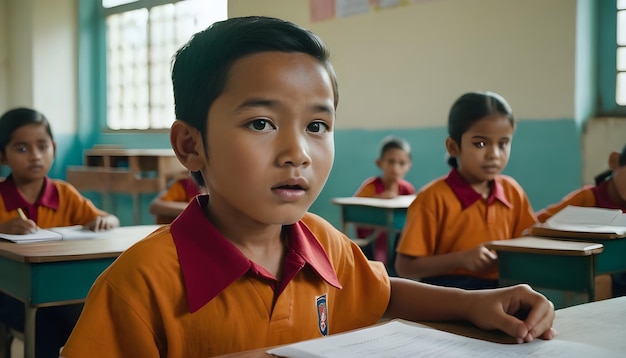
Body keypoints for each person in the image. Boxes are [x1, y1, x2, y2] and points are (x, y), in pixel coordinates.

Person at [61, 17, 554, 357]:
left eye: (317, 126)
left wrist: (474, 303)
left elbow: (381, 295)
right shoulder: (139, 284)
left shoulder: (323, 243)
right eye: (260, 123)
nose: (297, 152)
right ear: (191, 145)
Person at [0, 107, 120, 357]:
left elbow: (107, 218)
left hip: (57, 291)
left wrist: (105, 220)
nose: (35, 156)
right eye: (22, 149)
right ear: (2, 156)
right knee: (43, 324)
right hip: (9, 293)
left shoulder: (64, 194)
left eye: (42, 146)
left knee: (100, 314)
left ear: (53, 147)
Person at [395, 92, 537, 290]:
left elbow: (529, 244)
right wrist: (459, 260)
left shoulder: (512, 192)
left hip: (502, 290)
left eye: (503, 143)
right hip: (448, 294)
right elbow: (405, 267)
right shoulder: (433, 198)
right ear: (453, 147)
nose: (494, 155)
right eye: (480, 143)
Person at [536, 144, 626, 296]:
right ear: (614, 161)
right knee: (602, 279)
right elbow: (537, 223)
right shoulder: (587, 198)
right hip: (594, 271)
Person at [353, 135, 414, 263]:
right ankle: (383, 270)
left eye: (402, 163)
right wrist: (378, 200)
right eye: (391, 162)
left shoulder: (407, 189)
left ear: (409, 166)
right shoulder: (371, 186)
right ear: (379, 163)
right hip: (372, 239)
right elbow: (356, 209)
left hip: (400, 239)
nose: (395, 168)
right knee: (383, 234)